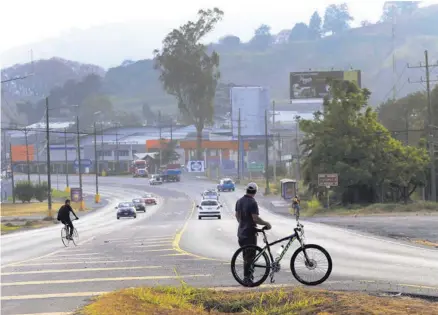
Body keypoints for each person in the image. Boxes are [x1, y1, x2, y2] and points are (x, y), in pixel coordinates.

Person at [235, 182, 271, 284]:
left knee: (246, 256)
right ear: (255, 191)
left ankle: (247, 277)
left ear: (246, 190)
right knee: (250, 257)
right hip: (250, 233)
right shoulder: (252, 202)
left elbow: (237, 215)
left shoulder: (239, 201)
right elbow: (255, 218)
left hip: (241, 233)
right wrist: (266, 223)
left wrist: (243, 224)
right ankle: (247, 278)